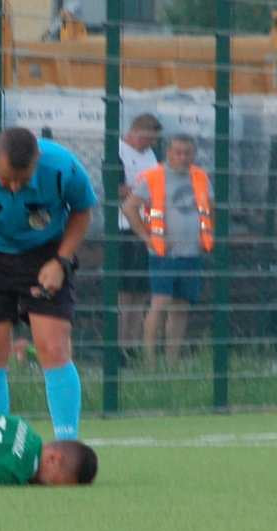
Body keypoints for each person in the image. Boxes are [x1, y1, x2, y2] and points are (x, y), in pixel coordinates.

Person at [0, 127, 97, 440]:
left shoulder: (64, 167)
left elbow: (82, 211)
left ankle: (66, 443)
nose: (13, 187)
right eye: (7, 178)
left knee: (53, 346)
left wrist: (61, 261)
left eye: (22, 181)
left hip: (46, 253)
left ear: (37, 161)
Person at [121, 134, 214, 367]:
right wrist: (146, 236)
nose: (183, 157)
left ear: (193, 155)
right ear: (169, 154)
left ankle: (172, 361)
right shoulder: (153, 177)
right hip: (163, 253)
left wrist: (207, 235)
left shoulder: (200, 177)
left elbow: (209, 209)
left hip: (192, 252)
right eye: (178, 152)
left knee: (181, 306)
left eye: (187, 153)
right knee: (159, 302)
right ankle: (150, 360)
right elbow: (130, 207)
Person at [117, 114, 162, 362]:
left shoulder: (150, 156)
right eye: (148, 139)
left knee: (142, 290)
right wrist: (143, 194)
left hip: (149, 226)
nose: (151, 145)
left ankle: (132, 343)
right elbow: (118, 188)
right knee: (125, 290)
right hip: (125, 226)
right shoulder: (118, 151)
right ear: (136, 132)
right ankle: (120, 343)